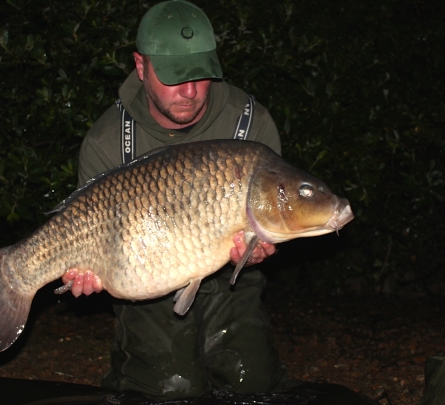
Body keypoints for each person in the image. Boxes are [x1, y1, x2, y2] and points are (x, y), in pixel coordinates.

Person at [62, 0, 288, 400]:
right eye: (174, 77)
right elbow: (87, 234)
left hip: (232, 281)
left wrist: (257, 250)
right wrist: (85, 271)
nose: (190, 91)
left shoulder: (249, 123)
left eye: (201, 76)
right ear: (141, 66)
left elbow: (271, 218)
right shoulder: (107, 141)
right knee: (171, 390)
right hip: (150, 282)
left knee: (252, 385)